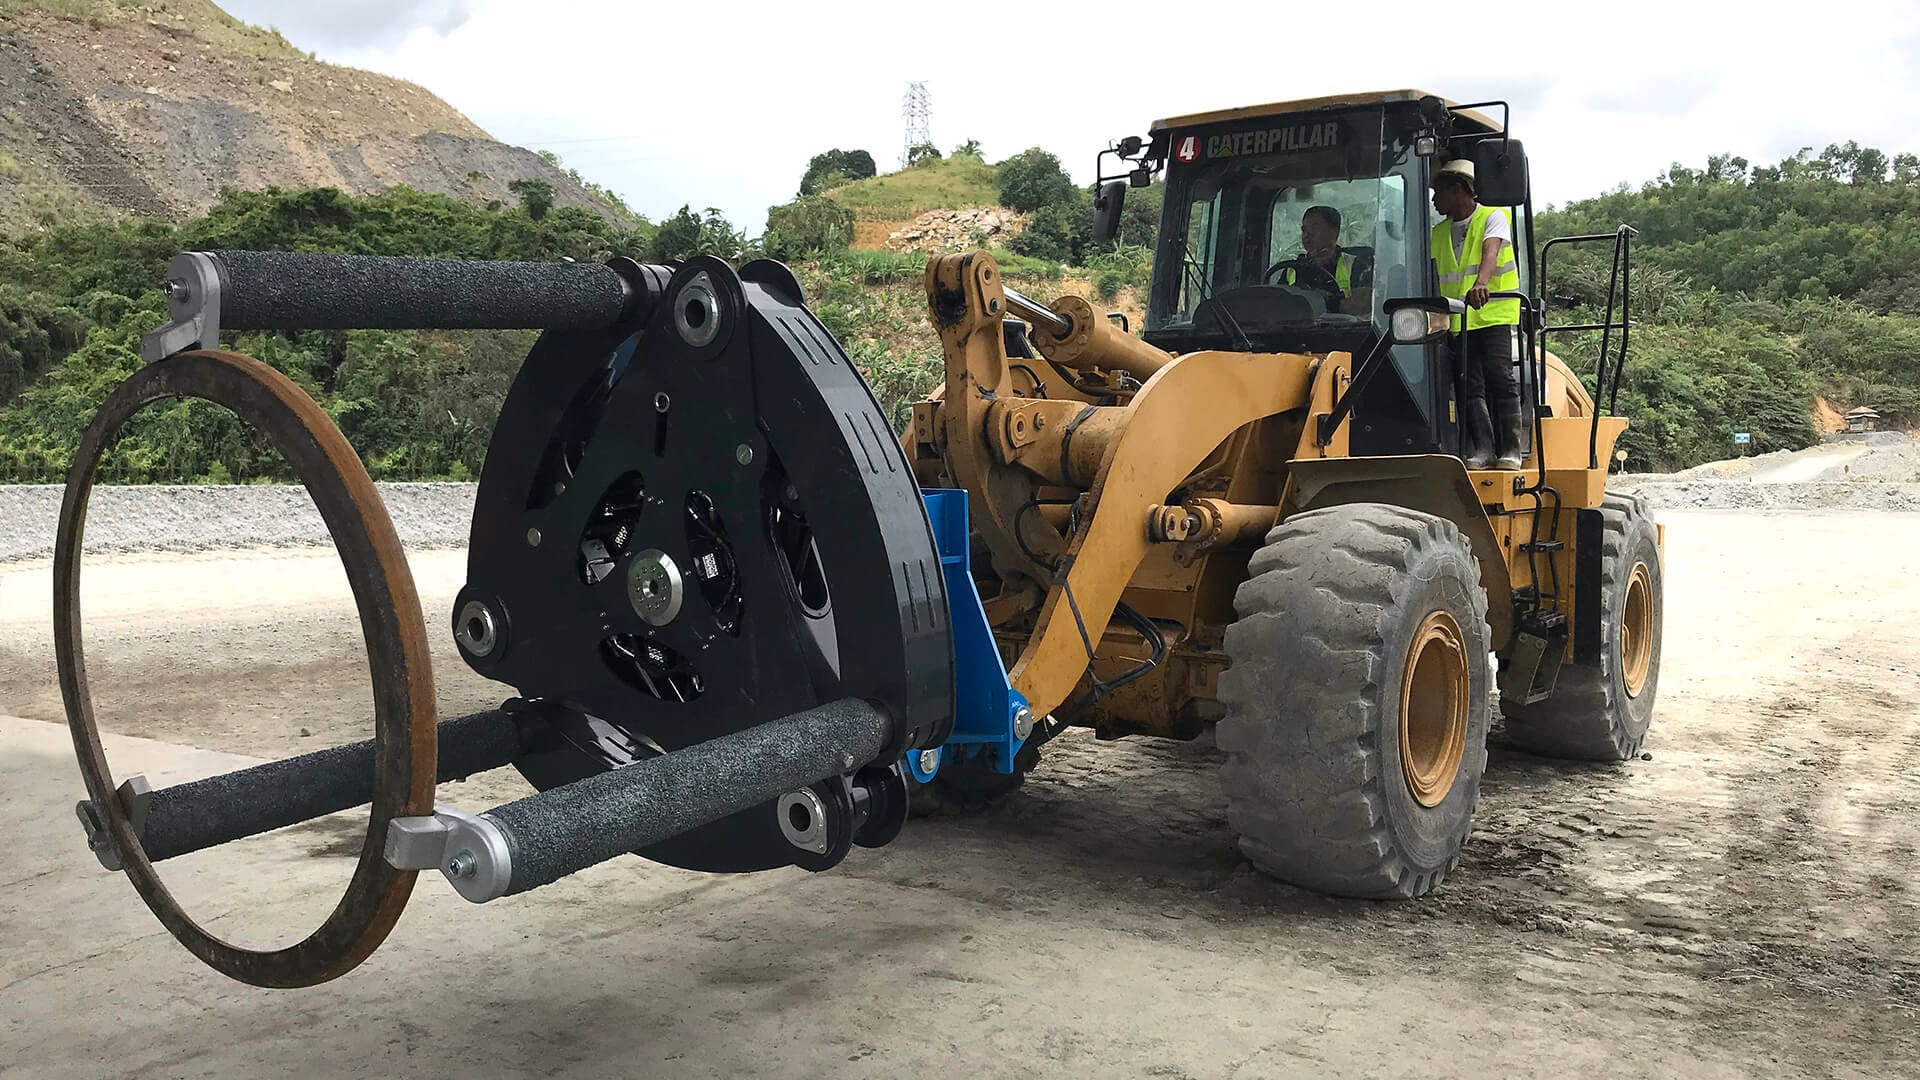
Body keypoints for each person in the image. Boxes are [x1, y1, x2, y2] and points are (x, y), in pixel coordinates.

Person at [1429, 158, 1523, 469]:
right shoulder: (1438, 233)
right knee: (1469, 386)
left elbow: (1490, 250)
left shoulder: (1492, 216)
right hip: (1459, 320)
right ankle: (1483, 450)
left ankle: (1511, 450)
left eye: (1439, 192)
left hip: (1494, 315)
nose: (1434, 200)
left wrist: (1481, 283)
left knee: (1501, 378)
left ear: (1458, 189)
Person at [1275, 205, 1373, 315]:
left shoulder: (1356, 265)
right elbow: (1277, 307)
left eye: (1315, 228)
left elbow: (1362, 304)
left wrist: (1328, 303)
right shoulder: (1291, 269)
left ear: (1334, 232)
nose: (1307, 234)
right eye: (1304, 229)